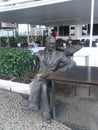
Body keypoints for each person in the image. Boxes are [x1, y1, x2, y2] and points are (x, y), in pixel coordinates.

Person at [22, 36, 76, 120]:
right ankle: (46, 112)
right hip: (41, 74)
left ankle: (33, 104)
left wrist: (60, 71)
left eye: (53, 43)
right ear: (45, 43)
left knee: (38, 79)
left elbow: (72, 64)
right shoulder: (39, 53)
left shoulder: (60, 54)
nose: (51, 45)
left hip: (51, 75)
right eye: (49, 43)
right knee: (43, 86)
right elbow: (34, 64)